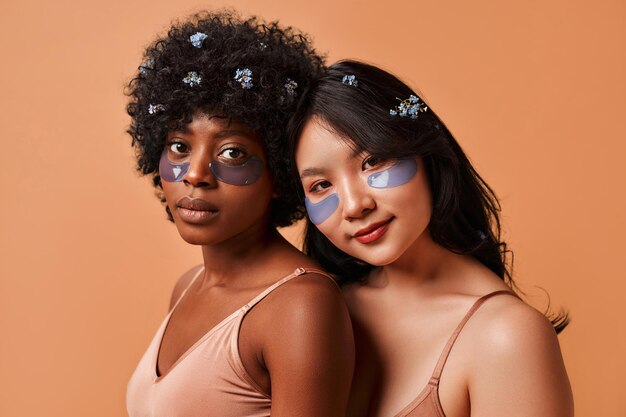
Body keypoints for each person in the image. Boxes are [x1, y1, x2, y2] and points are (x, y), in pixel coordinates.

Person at [289, 60, 573, 417]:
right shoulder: (317, 308)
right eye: (321, 185)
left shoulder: (506, 338)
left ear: (424, 152)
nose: (354, 206)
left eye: (372, 161)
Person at [124, 12, 354, 417]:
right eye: (179, 146)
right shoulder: (188, 286)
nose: (195, 174)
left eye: (232, 152)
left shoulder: (300, 306)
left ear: (281, 173)